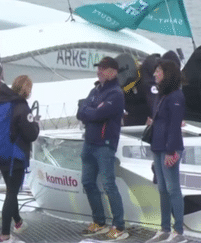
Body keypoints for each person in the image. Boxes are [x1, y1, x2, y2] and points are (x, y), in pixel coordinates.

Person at [76, 56, 129, 240]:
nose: (99, 71)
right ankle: (99, 221)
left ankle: (119, 225)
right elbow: (80, 112)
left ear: (113, 72)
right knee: (88, 182)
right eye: (99, 68)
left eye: (103, 69)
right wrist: (92, 111)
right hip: (89, 143)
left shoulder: (115, 93)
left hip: (105, 145)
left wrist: (91, 111)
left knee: (108, 184)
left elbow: (98, 113)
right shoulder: (95, 90)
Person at [0, 75, 40, 243]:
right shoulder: (22, 108)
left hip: (0, 155)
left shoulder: (1, 103)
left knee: (11, 190)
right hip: (15, 157)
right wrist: (35, 123)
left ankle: (18, 222)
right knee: (11, 193)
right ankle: (5, 235)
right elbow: (31, 134)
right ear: (26, 89)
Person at [145, 60, 186, 243]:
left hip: (170, 148)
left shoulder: (176, 96)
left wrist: (171, 151)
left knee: (172, 188)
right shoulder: (162, 95)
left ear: (167, 73)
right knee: (162, 188)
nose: (155, 74)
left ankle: (178, 231)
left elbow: (175, 125)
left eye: (158, 71)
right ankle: (164, 228)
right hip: (158, 146)